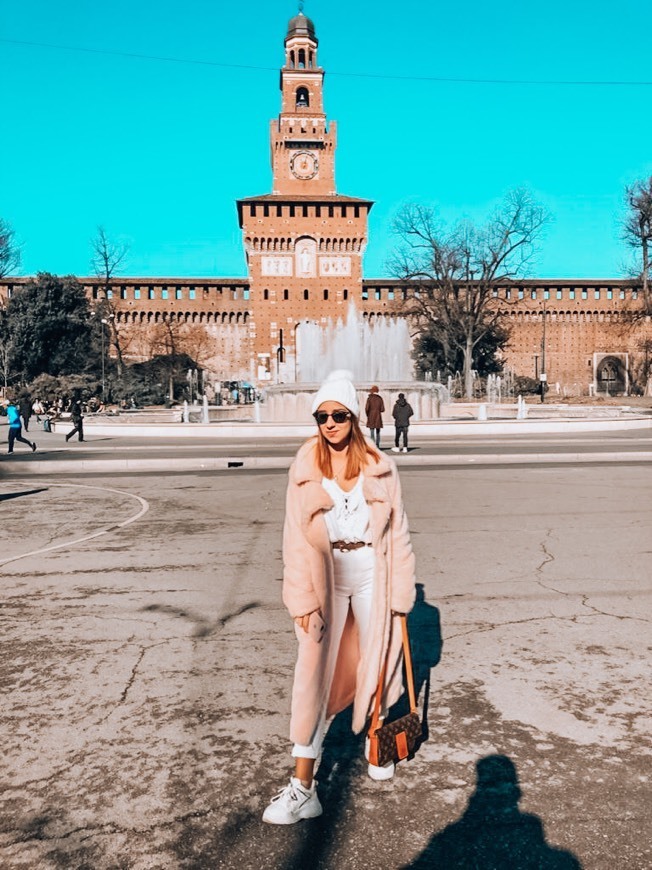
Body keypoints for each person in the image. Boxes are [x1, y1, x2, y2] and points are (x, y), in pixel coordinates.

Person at [263, 370, 417, 825]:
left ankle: (376, 744)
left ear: (352, 417)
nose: (328, 423)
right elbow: (293, 540)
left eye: (336, 415)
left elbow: (401, 535)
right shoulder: (304, 469)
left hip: (374, 571)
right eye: (321, 416)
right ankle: (302, 786)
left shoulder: (380, 467)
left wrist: (402, 597)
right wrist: (302, 601)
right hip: (325, 577)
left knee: (378, 660)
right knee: (313, 675)